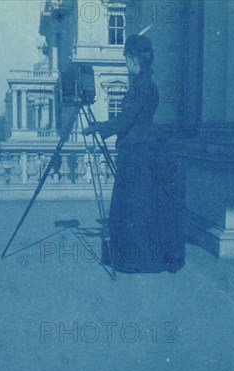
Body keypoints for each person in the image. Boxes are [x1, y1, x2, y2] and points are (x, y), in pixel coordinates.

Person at [83, 34, 185, 273]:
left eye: (127, 59)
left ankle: (135, 260)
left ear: (133, 59)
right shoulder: (148, 85)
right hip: (143, 152)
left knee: (132, 209)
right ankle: (136, 257)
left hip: (136, 155)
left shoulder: (141, 87)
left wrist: (99, 127)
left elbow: (126, 120)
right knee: (140, 209)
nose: (126, 65)